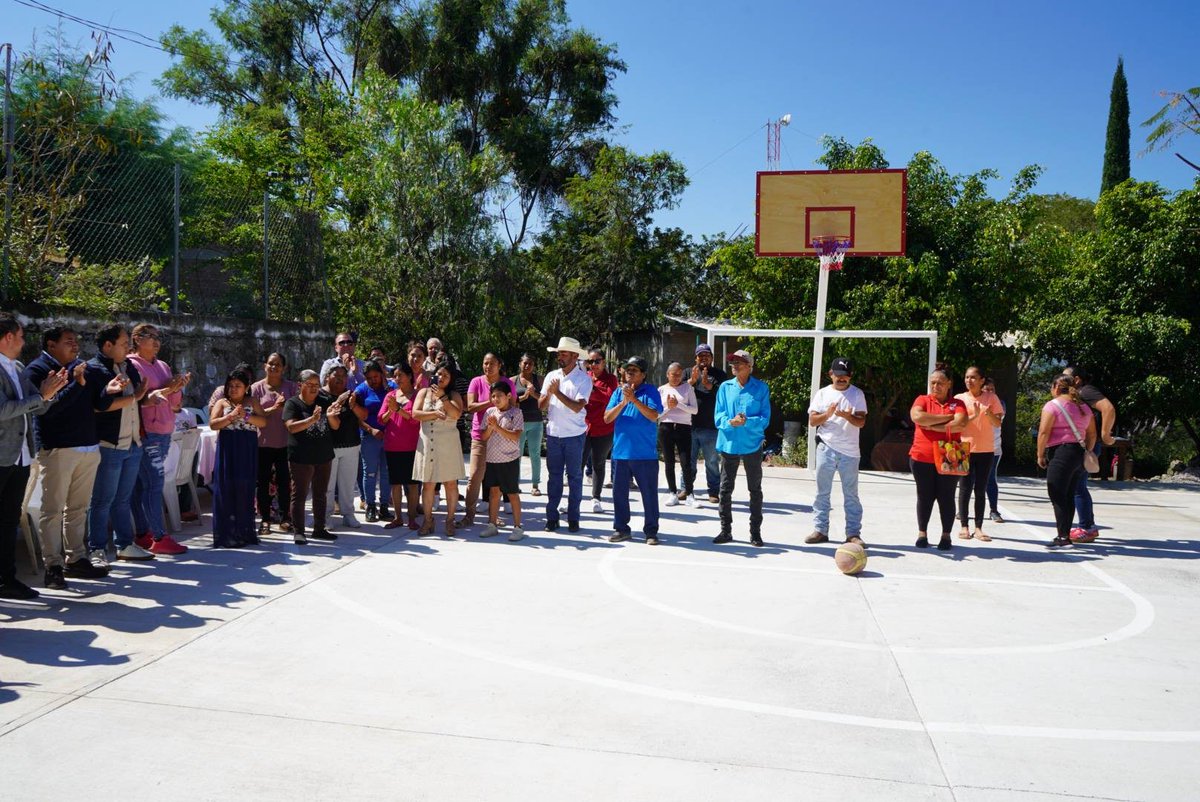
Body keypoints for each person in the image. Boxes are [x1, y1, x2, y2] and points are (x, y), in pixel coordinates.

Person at [22, 326, 109, 589]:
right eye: (69, 341)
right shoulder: (37, 370)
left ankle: (77, 559)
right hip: (59, 448)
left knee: (79, 508)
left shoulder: (81, 368)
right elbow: (46, 410)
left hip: (88, 446)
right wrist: (76, 384)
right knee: (52, 510)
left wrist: (109, 390)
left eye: (76, 340)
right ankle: (53, 566)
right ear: (51, 345)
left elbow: (96, 403)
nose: (75, 345)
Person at [0, 312, 67, 599]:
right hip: (2, 456)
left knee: (8, 521)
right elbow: (3, 411)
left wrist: (49, 394)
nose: (24, 341)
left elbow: (37, 406)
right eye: (22, 335)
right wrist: (39, 397)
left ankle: (6, 579)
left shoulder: (16, 367)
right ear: (8, 337)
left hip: (21, 457)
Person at [87, 325, 155, 565]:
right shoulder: (94, 370)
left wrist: (147, 396)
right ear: (108, 345)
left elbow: (138, 398)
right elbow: (99, 405)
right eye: (124, 343)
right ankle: (96, 549)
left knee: (123, 499)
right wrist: (134, 397)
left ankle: (124, 544)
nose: (128, 348)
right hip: (109, 444)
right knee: (101, 500)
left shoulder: (128, 367)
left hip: (133, 443)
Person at [128, 323, 192, 556]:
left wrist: (177, 387)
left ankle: (143, 532)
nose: (156, 342)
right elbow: (141, 398)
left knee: (141, 484)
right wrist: (168, 387)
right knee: (153, 484)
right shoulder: (132, 365)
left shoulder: (163, 365)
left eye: (158, 338)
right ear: (136, 339)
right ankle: (158, 535)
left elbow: (175, 403)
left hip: (165, 430)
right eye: (150, 337)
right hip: (147, 432)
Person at [908, 366, 973, 551]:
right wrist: (946, 419)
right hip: (922, 457)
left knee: (946, 497)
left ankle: (946, 535)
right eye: (933, 383)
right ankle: (922, 533)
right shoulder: (922, 399)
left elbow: (961, 422)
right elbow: (917, 417)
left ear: (949, 384)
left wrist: (934, 426)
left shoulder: (957, 403)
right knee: (924, 496)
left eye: (940, 383)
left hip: (950, 457)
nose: (935, 386)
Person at [806, 357, 867, 547]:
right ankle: (820, 530)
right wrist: (828, 414)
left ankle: (853, 534)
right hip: (826, 447)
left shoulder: (857, 394)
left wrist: (848, 416)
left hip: (850, 452)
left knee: (851, 494)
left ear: (850, 376)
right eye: (838, 375)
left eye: (845, 376)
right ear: (830, 374)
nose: (841, 379)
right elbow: (813, 421)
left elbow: (861, 422)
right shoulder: (822, 394)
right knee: (822, 492)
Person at [713, 350, 770, 547]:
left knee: (754, 489)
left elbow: (765, 418)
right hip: (729, 443)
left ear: (750, 366)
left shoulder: (761, 388)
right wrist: (730, 422)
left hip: (752, 444)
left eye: (740, 362)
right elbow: (718, 415)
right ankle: (725, 530)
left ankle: (755, 533)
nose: (735, 366)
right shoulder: (725, 387)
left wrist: (746, 422)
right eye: (733, 363)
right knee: (725, 488)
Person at [605, 357, 664, 544]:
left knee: (649, 495)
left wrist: (634, 400)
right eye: (627, 369)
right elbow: (607, 418)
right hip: (620, 454)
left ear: (643, 375)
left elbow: (654, 415)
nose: (629, 372)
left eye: (634, 370)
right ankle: (622, 529)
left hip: (645, 455)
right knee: (619, 495)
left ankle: (651, 531)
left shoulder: (651, 392)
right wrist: (623, 402)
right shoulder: (617, 393)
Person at [209, 368, 269, 548]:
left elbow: (263, 422)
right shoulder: (221, 402)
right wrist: (230, 417)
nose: (233, 389)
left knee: (245, 487)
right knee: (226, 488)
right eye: (230, 385)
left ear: (246, 387)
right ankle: (226, 534)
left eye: (238, 386)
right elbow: (213, 424)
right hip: (228, 447)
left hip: (246, 447)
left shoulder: (252, 401)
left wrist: (246, 415)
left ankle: (244, 532)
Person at [1037, 374, 1097, 548]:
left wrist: (1040, 454)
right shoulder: (1084, 407)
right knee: (1069, 494)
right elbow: (1092, 433)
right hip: (1078, 453)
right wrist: (1087, 450)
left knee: (1056, 493)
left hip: (1061, 452)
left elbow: (1043, 432)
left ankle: (1063, 536)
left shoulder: (1052, 405)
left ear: (1056, 387)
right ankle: (1065, 534)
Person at [539, 337, 593, 532]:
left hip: (574, 436)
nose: (559, 357)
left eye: (563, 353)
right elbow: (541, 406)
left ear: (574, 356)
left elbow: (578, 407)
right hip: (554, 434)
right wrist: (548, 395)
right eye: (558, 353)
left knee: (574, 477)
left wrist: (557, 392)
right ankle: (551, 517)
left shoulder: (584, 379)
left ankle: (573, 518)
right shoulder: (551, 375)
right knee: (553, 478)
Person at [283, 370, 340, 545]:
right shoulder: (292, 404)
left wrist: (330, 416)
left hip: (323, 456)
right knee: (299, 495)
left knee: (320, 494)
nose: (315, 389)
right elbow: (291, 427)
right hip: (301, 458)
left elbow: (336, 426)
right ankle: (299, 531)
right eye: (310, 385)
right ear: (300, 385)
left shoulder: (324, 402)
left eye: (317, 385)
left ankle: (319, 529)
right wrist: (312, 420)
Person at [460, 353, 516, 527]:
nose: (487, 366)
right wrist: (492, 402)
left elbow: (513, 406)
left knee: (496, 481)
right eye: (485, 363)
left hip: (501, 437)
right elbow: (470, 407)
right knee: (475, 476)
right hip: (480, 436)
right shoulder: (476, 382)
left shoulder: (508, 383)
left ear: (499, 365)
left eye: (491, 363)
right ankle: (469, 515)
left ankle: (493, 516)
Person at [1062, 366, 1116, 542]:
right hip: (1081, 444)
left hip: (1088, 445)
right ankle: (1087, 525)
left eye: (1066, 377)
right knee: (1077, 486)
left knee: (1078, 487)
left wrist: (1105, 435)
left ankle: (1087, 527)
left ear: (1077, 380)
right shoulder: (1076, 395)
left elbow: (1108, 408)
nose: (1062, 380)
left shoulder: (1086, 391)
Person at [412, 362, 466, 536]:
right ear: (433, 375)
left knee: (450, 483)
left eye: (446, 375)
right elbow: (415, 413)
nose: (441, 378)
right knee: (428, 483)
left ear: (450, 379)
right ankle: (428, 520)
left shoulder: (454, 395)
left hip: (448, 442)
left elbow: (456, 414)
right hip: (428, 441)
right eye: (439, 374)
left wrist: (443, 397)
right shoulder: (423, 392)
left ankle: (450, 521)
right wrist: (434, 414)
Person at [954, 366, 1004, 542]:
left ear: (982, 380)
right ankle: (964, 527)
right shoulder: (959, 399)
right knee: (965, 489)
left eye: (973, 377)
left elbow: (997, 423)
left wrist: (989, 412)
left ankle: (979, 527)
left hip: (986, 449)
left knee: (980, 489)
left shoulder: (991, 397)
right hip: (962, 448)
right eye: (967, 377)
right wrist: (974, 415)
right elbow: (956, 423)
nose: (969, 380)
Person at [250, 353, 296, 536]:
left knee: (285, 483)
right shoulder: (256, 389)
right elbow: (253, 415)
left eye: (278, 364)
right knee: (262, 484)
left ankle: (285, 518)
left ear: (284, 368)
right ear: (265, 366)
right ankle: (265, 520)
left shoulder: (291, 387)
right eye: (270, 364)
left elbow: (297, 411)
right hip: (263, 444)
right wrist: (273, 408)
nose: (274, 367)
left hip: (285, 443)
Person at [479, 381, 525, 541]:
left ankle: (518, 527)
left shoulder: (516, 413)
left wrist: (497, 427)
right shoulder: (490, 412)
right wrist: (491, 427)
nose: (495, 398)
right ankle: (492, 524)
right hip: (492, 459)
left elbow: (515, 436)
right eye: (493, 395)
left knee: (512, 493)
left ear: (508, 396)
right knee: (493, 492)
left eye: (499, 395)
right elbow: (483, 437)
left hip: (509, 459)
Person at [378, 363, 421, 530]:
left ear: (410, 376)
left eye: (400, 375)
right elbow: (381, 419)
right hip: (392, 445)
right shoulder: (390, 395)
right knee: (395, 483)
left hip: (412, 446)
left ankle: (412, 518)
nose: (397, 379)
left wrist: (399, 409)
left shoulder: (418, 396)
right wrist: (391, 410)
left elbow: (416, 419)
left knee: (412, 484)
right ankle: (398, 518)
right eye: (395, 375)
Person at [324, 365, 366, 529]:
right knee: (327, 485)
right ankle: (326, 516)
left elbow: (364, 416)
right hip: (328, 447)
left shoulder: (352, 395)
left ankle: (348, 514)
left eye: (343, 375)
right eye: (336, 375)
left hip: (351, 445)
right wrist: (338, 401)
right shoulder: (320, 395)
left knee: (348, 484)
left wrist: (352, 404)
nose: (340, 378)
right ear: (328, 376)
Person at [354, 361, 395, 522]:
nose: (373, 380)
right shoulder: (361, 390)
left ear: (382, 374)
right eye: (369, 378)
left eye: (376, 376)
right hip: (369, 436)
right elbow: (356, 417)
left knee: (386, 473)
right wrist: (370, 430)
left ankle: (384, 506)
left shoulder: (391, 388)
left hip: (390, 436)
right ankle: (370, 505)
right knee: (369, 473)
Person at [580, 348, 618, 513]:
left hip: (603, 428)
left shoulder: (611, 379)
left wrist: (591, 389)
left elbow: (608, 397)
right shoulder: (584, 377)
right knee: (577, 464)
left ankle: (596, 498)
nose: (593, 365)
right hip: (583, 427)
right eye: (590, 361)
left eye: (597, 361)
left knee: (598, 463)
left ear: (603, 362)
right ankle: (573, 498)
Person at [688, 344, 727, 505]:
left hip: (710, 426)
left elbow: (724, 395)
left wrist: (709, 385)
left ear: (711, 358)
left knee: (711, 462)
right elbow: (678, 391)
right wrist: (691, 382)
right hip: (689, 425)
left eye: (707, 355)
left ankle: (713, 491)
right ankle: (687, 490)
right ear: (695, 358)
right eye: (700, 355)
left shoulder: (720, 375)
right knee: (688, 461)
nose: (703, 358)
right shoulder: (687, 373)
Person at [657, 362, 697, 507]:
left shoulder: (688, 388)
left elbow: (695, 410)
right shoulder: (661, 390)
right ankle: (672, 493)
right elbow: (656, 414)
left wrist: (678, 405)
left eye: (679, 374)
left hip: (684, 427)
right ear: (667, 374)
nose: (676, 377)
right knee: (669, 462)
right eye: (673, 374)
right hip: (666, 427)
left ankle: (690, 494)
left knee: (686, 463)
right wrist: (669, 407)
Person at [514, 353, 544, 496]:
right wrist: (523, 397)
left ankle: (535, 485)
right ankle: (515, 484)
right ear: (520, 363)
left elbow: (546, 401)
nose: (527, 366)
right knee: (516, 454)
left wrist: (533, 395)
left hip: (536, 422)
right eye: (525, 363)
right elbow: (508, 402)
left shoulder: (540, 380)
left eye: (530, 363)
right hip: (518, 423)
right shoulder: (512, 381)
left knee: (535, 454)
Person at [982, 377, 1005, 523]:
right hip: (973, 447)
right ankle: (963, 510)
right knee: (969, 480)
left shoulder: (1000, 404)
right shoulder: (972, 401)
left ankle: (994, 510)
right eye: (987, 389)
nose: (990, 392)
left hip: (993, 449)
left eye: (992, 389)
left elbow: (996, 421)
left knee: (990, 479)